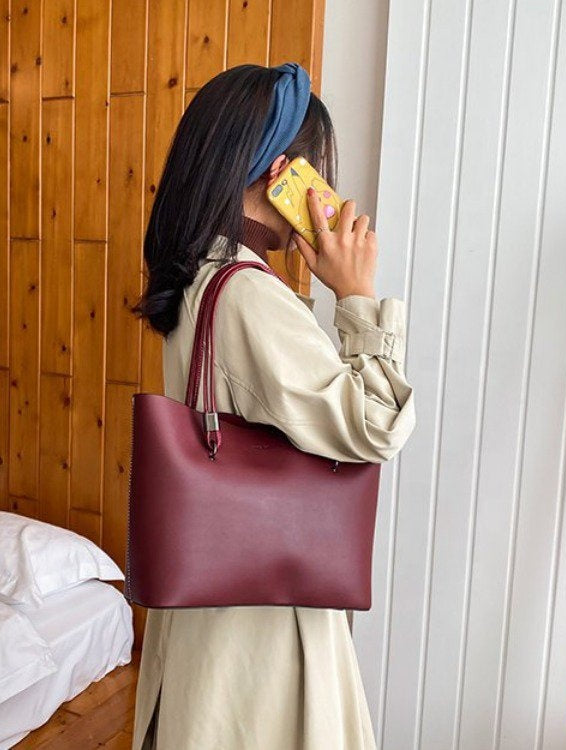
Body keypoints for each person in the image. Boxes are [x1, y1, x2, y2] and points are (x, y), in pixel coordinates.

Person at [129, 62, 415, 750]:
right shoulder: (248, 293)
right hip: (262, 622)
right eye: (318, 170)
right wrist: (357, 296)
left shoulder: (200, 276)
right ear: (282, 173)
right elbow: (376, 425)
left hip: (212, 606)